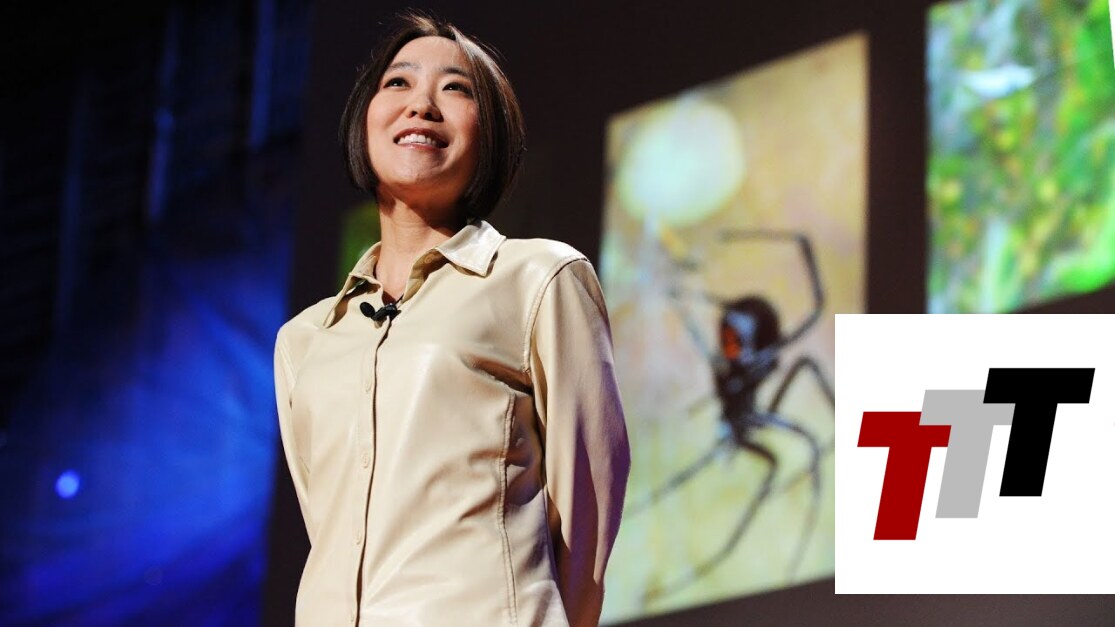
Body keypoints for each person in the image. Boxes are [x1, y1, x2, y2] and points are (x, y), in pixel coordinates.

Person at [273, 12, 630, 627]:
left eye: (456, 88)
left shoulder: (538, 278)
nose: (422, 105)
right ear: (364, 120)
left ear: (488, 135)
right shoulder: (305, 339)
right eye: (398, 83)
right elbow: (328, 526)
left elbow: (589, 508)